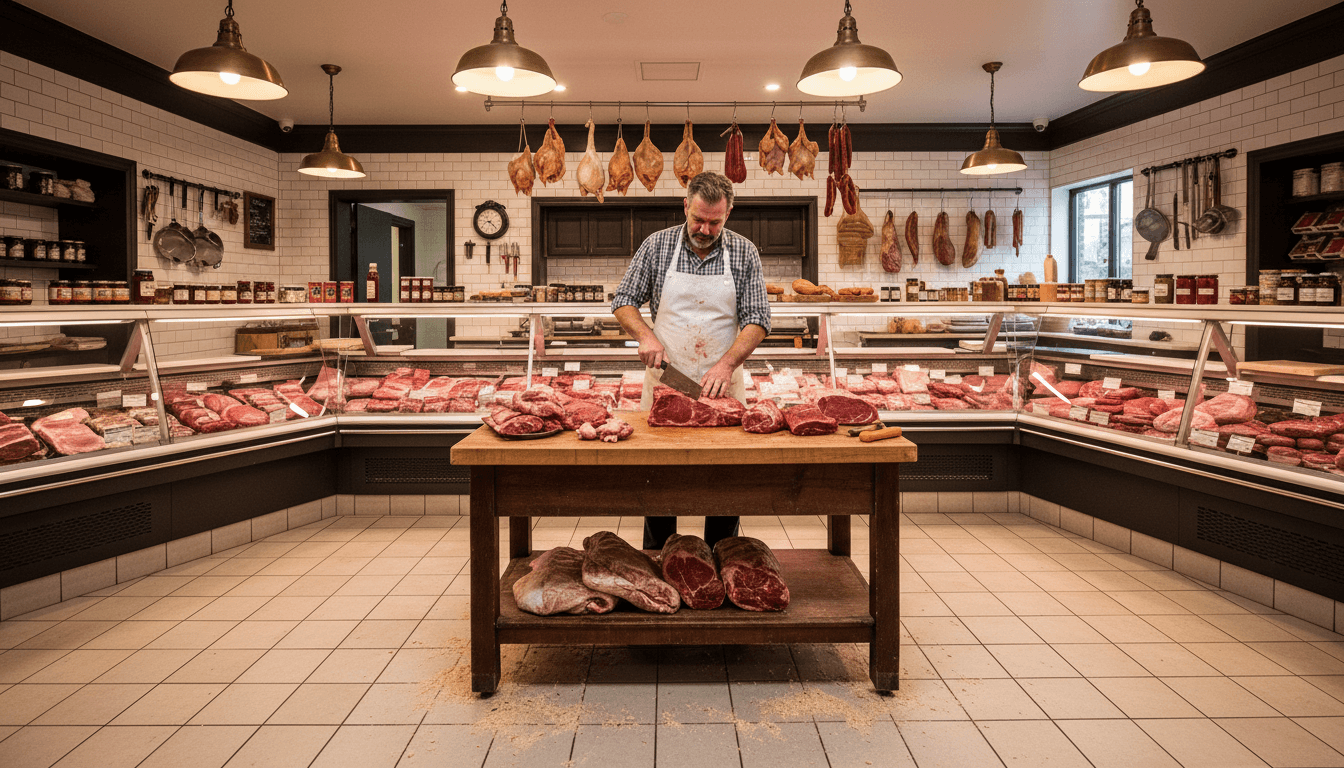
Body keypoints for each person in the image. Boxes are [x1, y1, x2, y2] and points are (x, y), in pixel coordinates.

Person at [611, 171, 771, 550]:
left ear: (728, 214)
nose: (705, 229)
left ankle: (722, 562)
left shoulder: (744, 251)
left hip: (722, 389)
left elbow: (758, 319)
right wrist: (645, 335)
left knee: (723, 489)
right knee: (659, 488)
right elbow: (624, 301)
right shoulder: (657, 246)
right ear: (686, 206)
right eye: (698, 219)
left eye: (715, 222)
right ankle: (659, 564)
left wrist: (727, 364)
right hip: (667, 385)